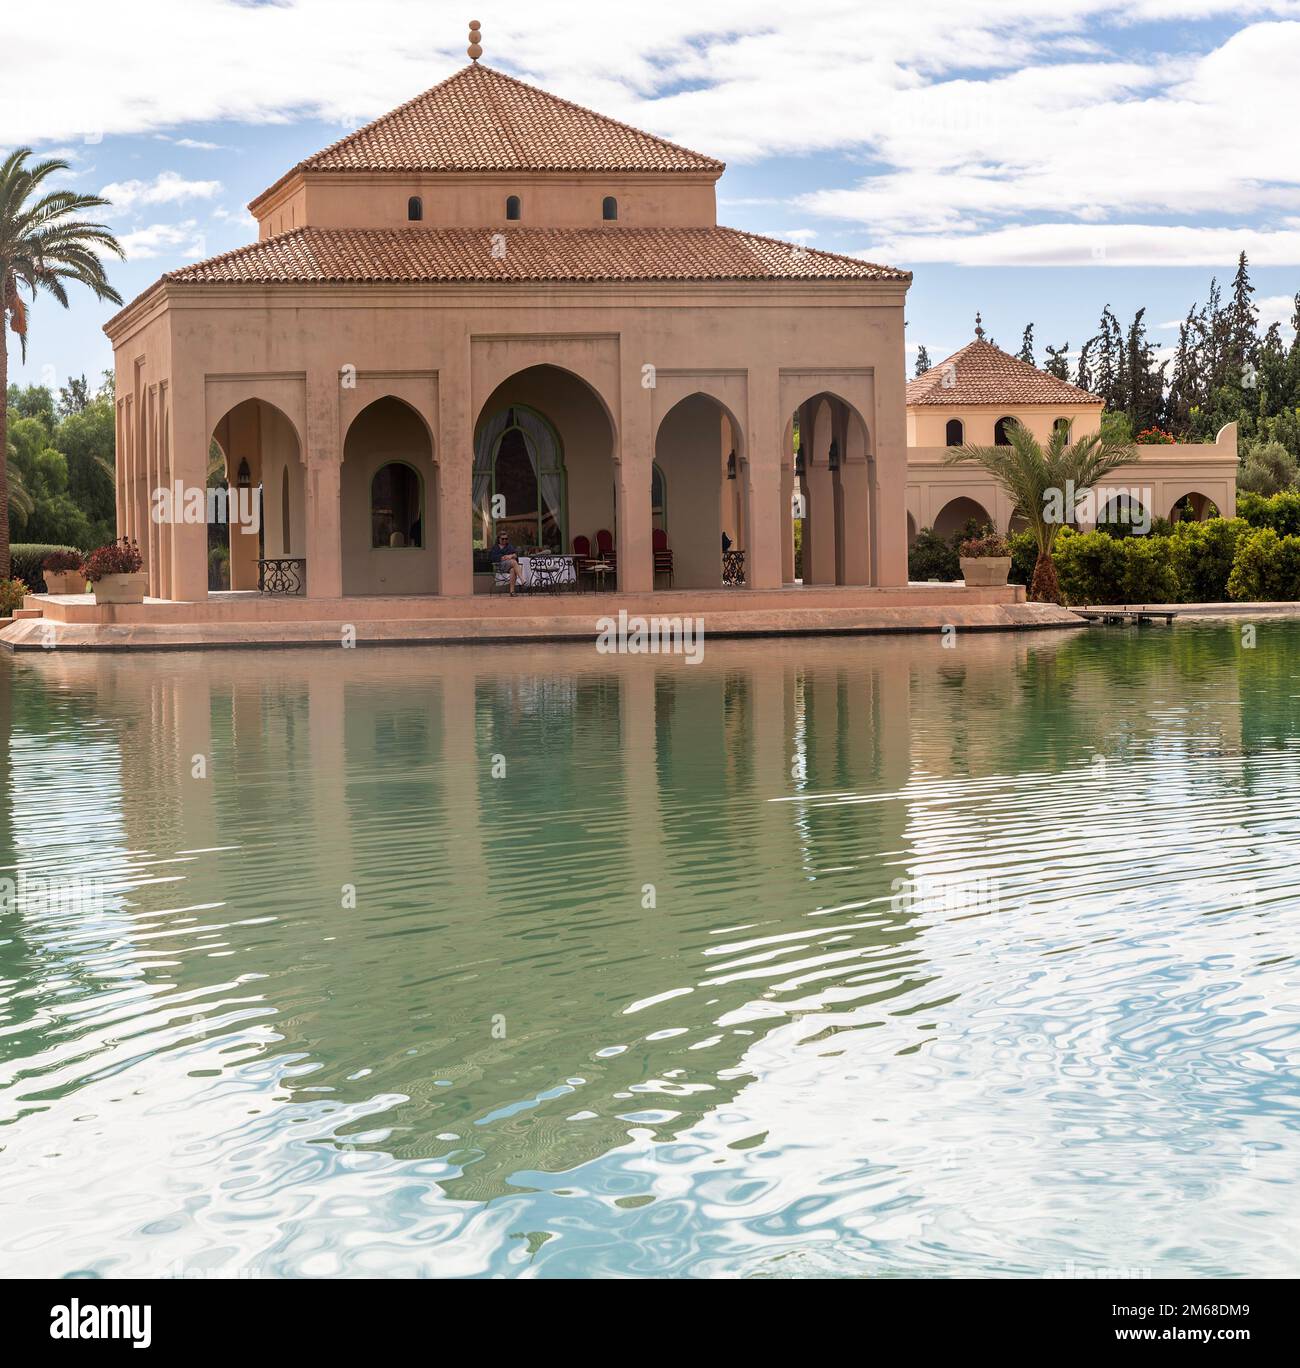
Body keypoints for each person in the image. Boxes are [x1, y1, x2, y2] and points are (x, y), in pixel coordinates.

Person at [490, 530, 523, 595]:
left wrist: (510, 555)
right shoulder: (495, 547)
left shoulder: (509, 546)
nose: (504, 540)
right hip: (500, 565)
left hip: (509, 565)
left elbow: (515, 554)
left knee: (513, 570)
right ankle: (521, 578)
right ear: (499, 539)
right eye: (503, 539)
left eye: (506, 539)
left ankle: (512, 591)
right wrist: (502, 557)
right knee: (513, 562)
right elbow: (492, 558)